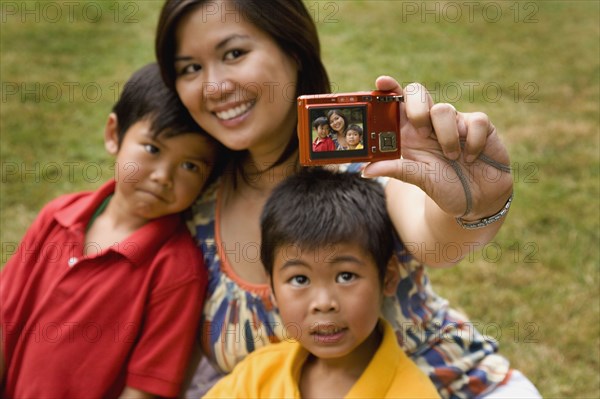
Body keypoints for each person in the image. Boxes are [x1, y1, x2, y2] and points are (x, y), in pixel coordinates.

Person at [155, 1, 541, 398]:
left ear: (294, 50)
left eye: (234, 54)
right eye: (190, 68)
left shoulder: (371, 166)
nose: (214, 86)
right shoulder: (192, 198)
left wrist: (477, 204)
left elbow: (437, 241)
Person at [0, 63, 221, 398]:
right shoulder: (57, 218)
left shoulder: (177, 270)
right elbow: (5, 321)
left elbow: (146, 388)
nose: (163, 175)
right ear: (114, 135)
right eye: (153, 149)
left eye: (190, 165)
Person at [203, 168, 440, 398]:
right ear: (272, 289)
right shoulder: (256, 377)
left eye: (345, 276)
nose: (324, 303)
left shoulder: (413, 392)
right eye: (300, 279)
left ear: (387, 277)